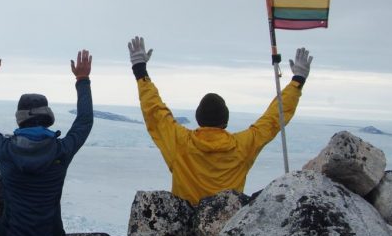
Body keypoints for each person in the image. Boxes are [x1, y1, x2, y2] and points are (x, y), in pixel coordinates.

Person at [127, 35, 313, 205]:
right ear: (225, 121)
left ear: (198, 119)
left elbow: (155, 112)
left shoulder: (181, 142)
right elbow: (273, 118)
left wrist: (140, 70)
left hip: (184, 227)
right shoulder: (242, 146)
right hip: (225, 227)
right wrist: (297, 81)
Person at [0, 46, 93, 236]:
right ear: (47, 118)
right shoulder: (61, 151)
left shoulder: (5, 151)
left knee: (1, 182)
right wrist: (82, 80)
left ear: (20, 118)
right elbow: (84, 122)